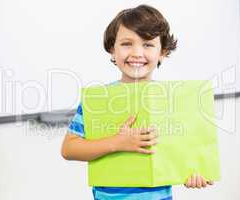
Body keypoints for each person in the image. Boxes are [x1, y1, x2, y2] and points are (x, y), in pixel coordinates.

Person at [61, 4, 213, 200]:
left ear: (163, 52)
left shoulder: (174, 101)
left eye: (148, 44)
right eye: (126, 44)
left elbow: (183, 153)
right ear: (112, 49)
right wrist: (117, 142)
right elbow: (69, 148)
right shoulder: (98, 101)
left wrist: (191, 172)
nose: (136, 53)